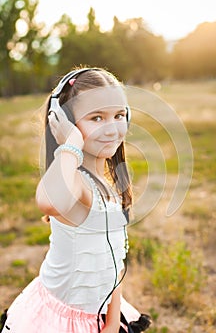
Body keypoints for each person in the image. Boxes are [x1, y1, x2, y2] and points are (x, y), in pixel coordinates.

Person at [1, 67, 151, 333]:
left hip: (100, 315)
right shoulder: (76, 184)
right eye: (96, 117)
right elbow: (48, 202)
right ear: (65, 121)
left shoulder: (108, 185)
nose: (112, 128)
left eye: (119, 115)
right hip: (59, 322)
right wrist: (70, 143)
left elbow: (113, 262)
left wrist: (113, 321)